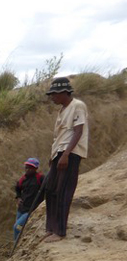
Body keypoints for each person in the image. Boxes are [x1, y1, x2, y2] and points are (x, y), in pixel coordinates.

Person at [44, 76, 89, 243]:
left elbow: (78, 132)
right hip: (59, 152)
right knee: (50, 189)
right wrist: (54, 155)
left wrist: (66, 155)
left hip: (70, 153)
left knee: (63, 191)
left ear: (64, 92)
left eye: (54, 94)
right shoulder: (62, 110)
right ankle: (51, 228)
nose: (52, 97)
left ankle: (60, 231)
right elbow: (61, 136)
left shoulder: (77, 105)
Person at [13, 157, 44, 241]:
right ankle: (17, 243)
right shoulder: (23, 179)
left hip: (31, 209)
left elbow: (47, 189)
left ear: (36, 168)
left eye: (30, 167)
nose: (28, 169)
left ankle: (17, 244)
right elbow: (17, 188)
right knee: (19, 228)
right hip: (21, 208)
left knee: (17, 227)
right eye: (27, 167)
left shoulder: (40, 178)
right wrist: (18, 197)